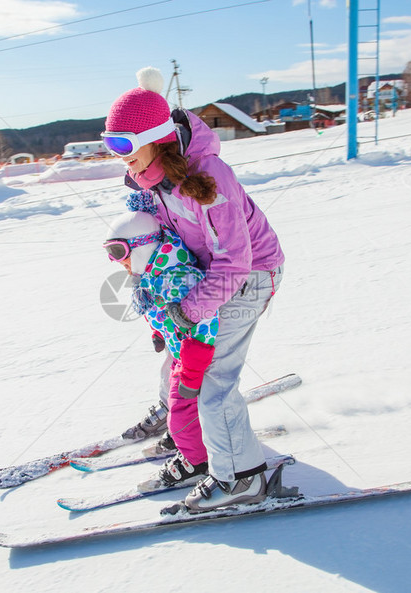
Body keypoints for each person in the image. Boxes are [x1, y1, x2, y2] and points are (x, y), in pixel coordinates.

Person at [103, 67, 285, 513]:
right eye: (113, 147)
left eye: (127, 146)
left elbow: (235, 262)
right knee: (180, 358)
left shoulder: (209, 175)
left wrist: (190, 311)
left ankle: (241, 480)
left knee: (213, 382)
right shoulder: (151, 182)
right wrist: (166, 313)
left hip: (249, 274)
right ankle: (195, 444)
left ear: (158, 137)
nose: (121, 158)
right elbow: (167, 247)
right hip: (208, 274)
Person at [103, 206, 218, 491]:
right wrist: (159, 332)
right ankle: (186, 436)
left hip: (197, 360)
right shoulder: (154, 275)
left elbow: (206, 323)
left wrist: (192, 365)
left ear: (143, 246)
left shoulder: (177, 278)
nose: (119, 263)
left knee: (182, 409)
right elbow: (157, 310)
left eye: (120, 253)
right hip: (182, 354)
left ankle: (196, 462)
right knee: (175, 399)